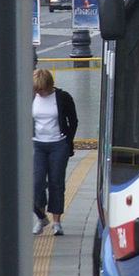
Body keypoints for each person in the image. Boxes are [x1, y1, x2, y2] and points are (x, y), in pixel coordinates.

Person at [32, 68, 78, 235]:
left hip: (58, 145)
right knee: (36, 183)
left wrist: (67, 141)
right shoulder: (31, 97)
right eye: (37, 89)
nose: (40, 92)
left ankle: (57, 222)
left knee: (56, 182)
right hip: (37, 144)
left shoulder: (62, 97)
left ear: (49, 85)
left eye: (42, 89)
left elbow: (73, 120)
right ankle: (41, 217)